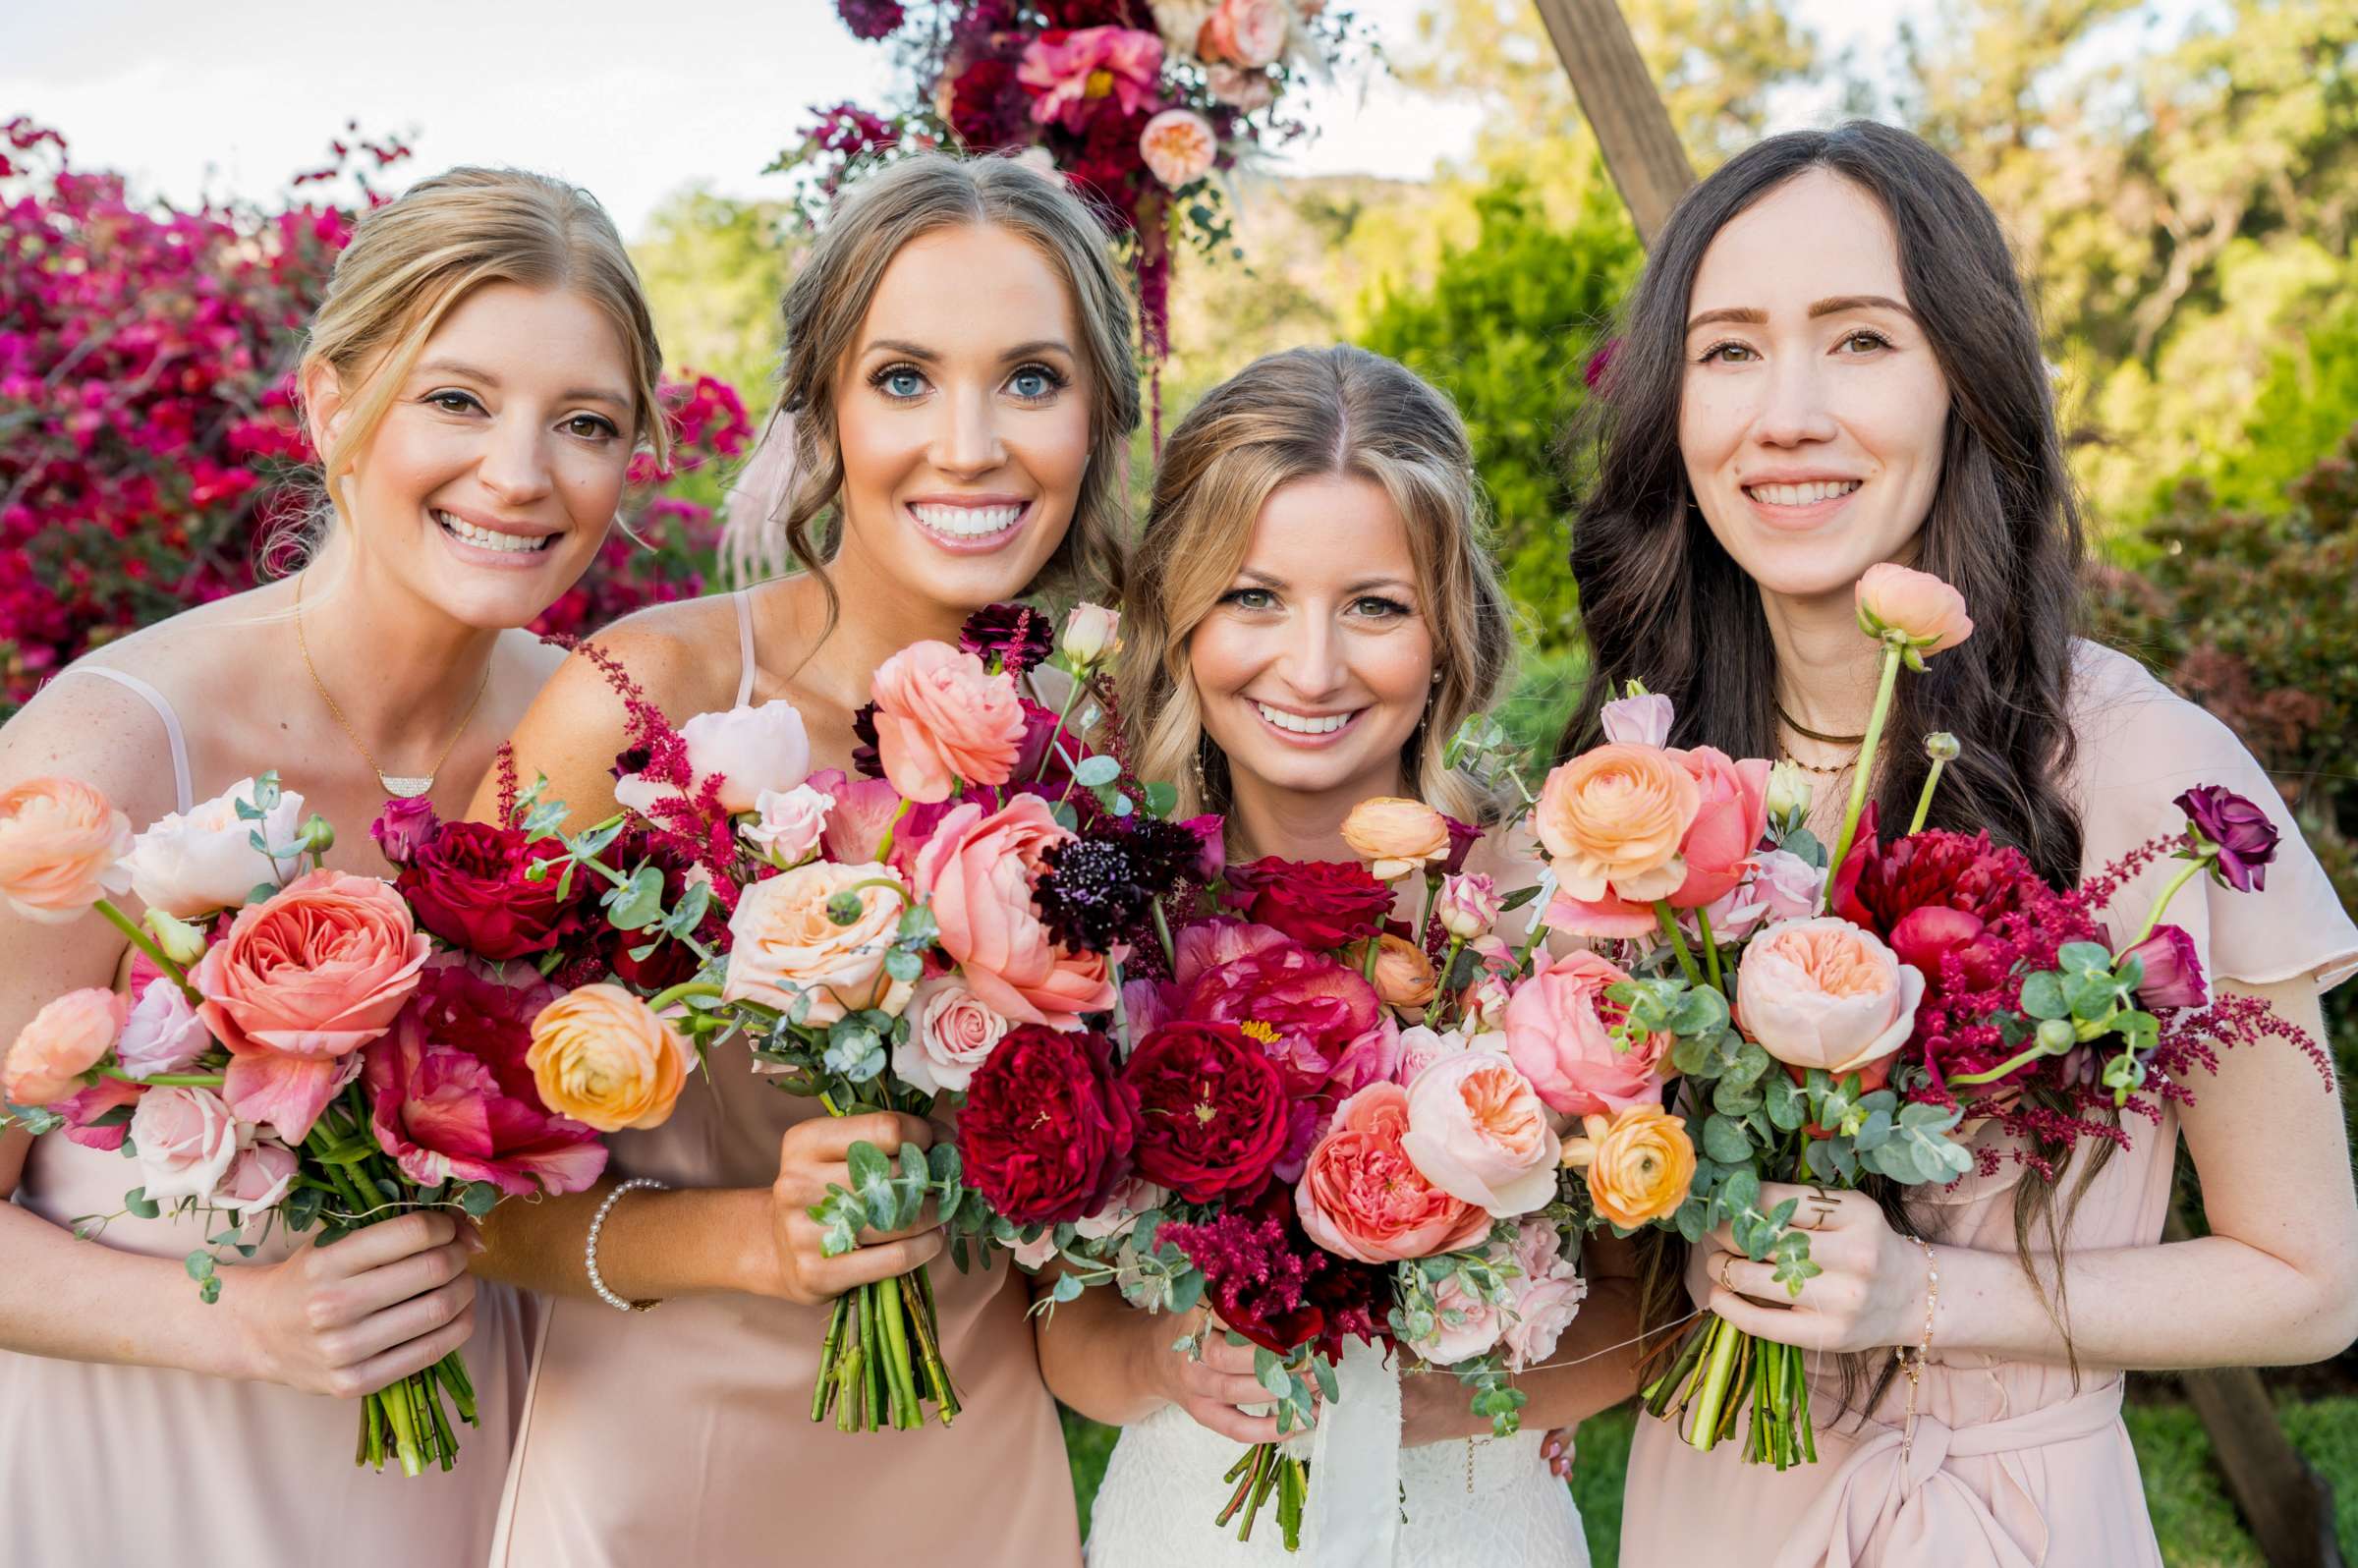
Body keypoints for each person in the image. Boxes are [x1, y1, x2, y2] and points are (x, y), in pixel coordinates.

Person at [1564, 121, 2358, 1566]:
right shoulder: (1634, 778)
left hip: (2002, 1514)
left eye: (1862, 339)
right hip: (1711, 1502)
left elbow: (2309, 1282)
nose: (1786, 414)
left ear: (1964, 382)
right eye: (1728, 350)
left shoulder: (2142, 772)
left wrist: (1924, 1296)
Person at [471, 150, 1139, 1567]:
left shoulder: (1102, 747)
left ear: (1100, 417)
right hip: (668, 1476)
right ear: (823, 406)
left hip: (975, 1469)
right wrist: (743, 1243)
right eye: (904, 378)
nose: (970, 446)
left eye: (1031, 379)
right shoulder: (640, 703)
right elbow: (452, 1185)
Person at [0, 165, 668, 1564]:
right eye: (458, 399)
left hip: (494, 1496)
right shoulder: (115, 753)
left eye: (586, 422)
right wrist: (248, 1324)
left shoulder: (598, 746)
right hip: (151, 1499)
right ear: (331, 404)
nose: (521, 472)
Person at [1048, 344, 1641, 1566]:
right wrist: (1168, 1359)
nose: (1311, 669)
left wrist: (1454, 1398)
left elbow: (1646, 1307)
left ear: (1447, 631)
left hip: (1477, 1522)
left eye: (1375, 606)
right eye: (1253, 597)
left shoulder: (1545, 916)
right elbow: (1066, 1335)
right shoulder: (1105, 927)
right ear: (1178, 611)